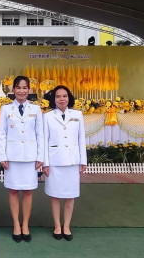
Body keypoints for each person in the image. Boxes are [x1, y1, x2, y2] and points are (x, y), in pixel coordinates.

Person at [0, 76, 43, 243]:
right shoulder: (5, 109)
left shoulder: (36, 109)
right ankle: (16, 224)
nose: (22, 91)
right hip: (12, 156)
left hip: (30, 156)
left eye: (25, 88)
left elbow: (40, 134)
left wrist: (40, 156)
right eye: (18, 87)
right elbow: (1, 134)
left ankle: (26, 225)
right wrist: (3, 155)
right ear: (13, 90)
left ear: (29, 90)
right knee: (13, 190)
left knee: (28, 191)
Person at [42, 85, 87, 241]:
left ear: (69, 98)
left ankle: (66, 226)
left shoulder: (77, 115)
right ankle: (57, 225)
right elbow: (44, 141)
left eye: (65, 96)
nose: (62, 99)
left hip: (72, 160)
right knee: (54, 195)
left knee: (70, 195)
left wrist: (83, 160)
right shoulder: (47, 117)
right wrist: (45, 164)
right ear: (54, 99)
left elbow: (82, 138)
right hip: (55, 161)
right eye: (58, 96)